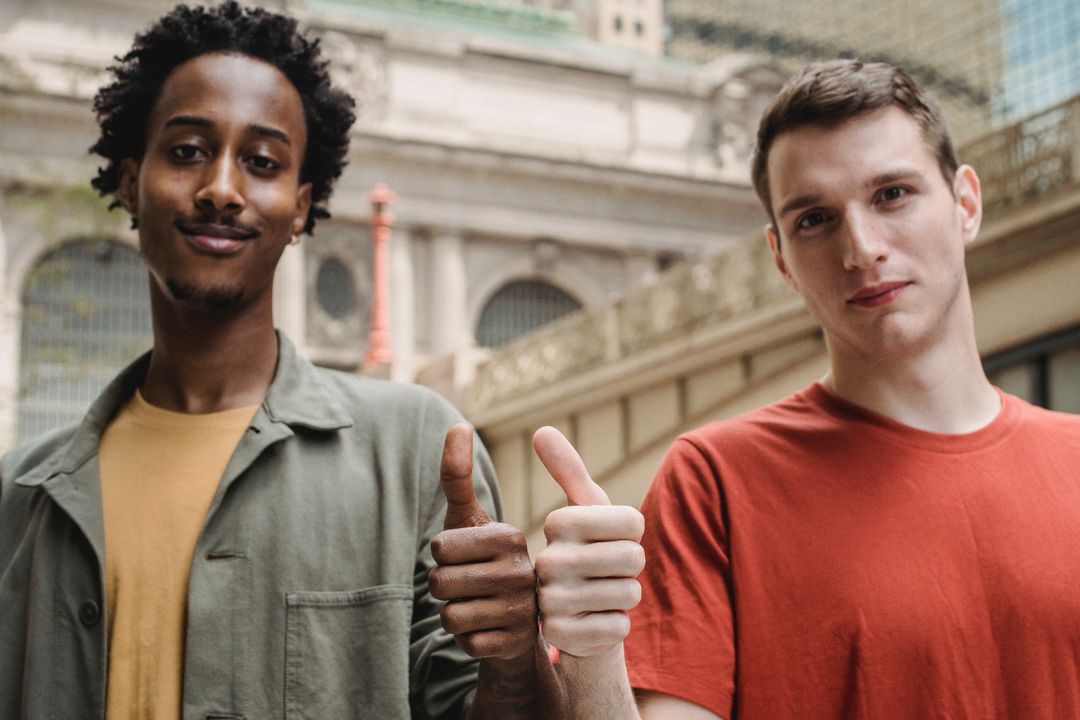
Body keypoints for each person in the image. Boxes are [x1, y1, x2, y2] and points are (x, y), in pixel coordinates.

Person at [0, 3, 562, 718]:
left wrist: (515, 659)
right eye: (186, 152)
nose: (222, 189)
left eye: (261, 163)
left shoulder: (418, 451)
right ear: (128, 181)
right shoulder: (19, 500)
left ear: (301, 206)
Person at [532, 59, 1080, 719]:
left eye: (893, 194)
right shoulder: (715, 483)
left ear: (966, 204)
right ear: (780, 259)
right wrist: (594, 657)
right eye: (815, 220)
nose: (862, 248)